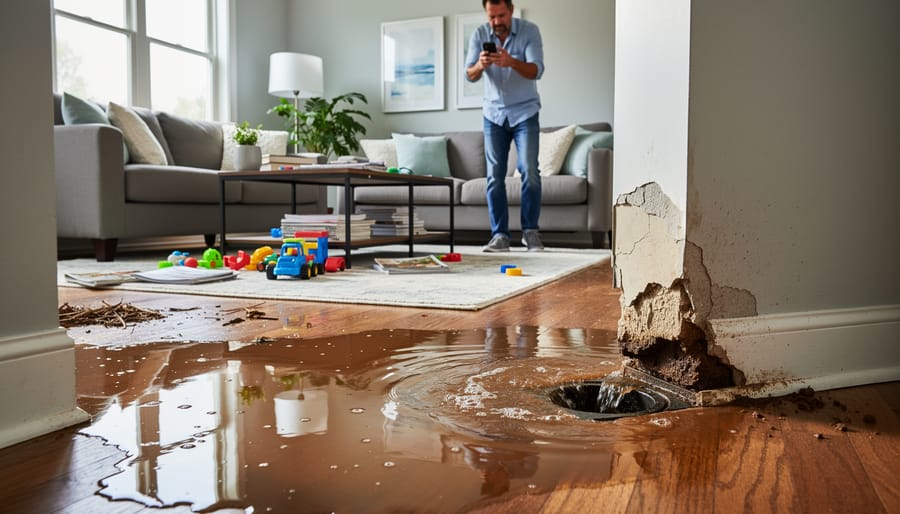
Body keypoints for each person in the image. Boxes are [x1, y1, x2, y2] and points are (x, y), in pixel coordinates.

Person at [465, 0, 545, 252]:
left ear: (511, 10)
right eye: (492, 17)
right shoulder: (479, 34)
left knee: (529, 171)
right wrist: (481, 65)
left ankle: (530, 232)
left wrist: (511, 61)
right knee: (494, 176)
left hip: (525, 113)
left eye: (501, 15)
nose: (497, 22)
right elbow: (469, 74)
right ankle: (500, 235)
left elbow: (536, 70)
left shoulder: (529, 31)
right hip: (494, 115)